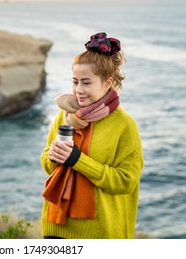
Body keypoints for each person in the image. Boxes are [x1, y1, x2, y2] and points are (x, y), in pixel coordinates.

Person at [40, 32, 143, 239]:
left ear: (108, 82)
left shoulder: (124, 124)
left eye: (86, 83)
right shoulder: (65, 114)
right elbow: (47, 164)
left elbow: (126, 182)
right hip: (56, 227)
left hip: (100, 233)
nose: (79, 90)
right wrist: (53, 156)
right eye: (75, 81)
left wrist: (78, 160)